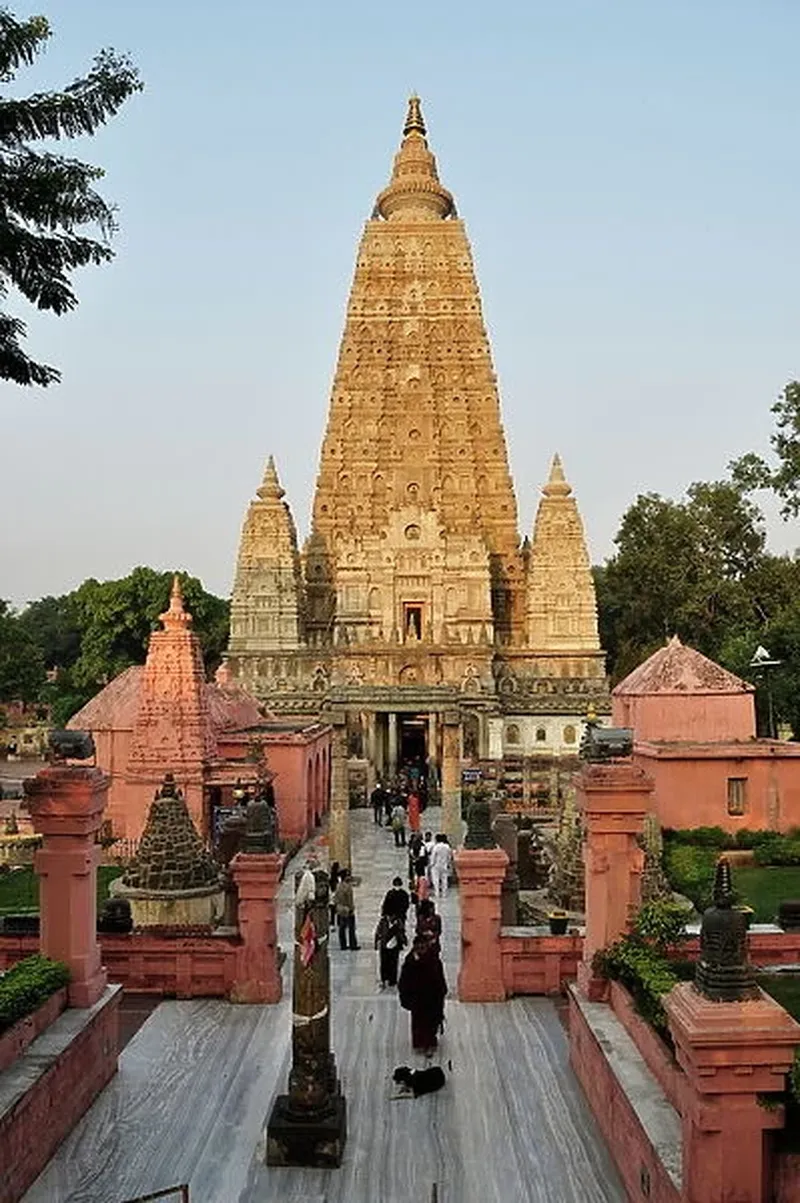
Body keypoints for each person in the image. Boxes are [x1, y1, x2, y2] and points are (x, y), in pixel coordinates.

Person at [398, 934, 448, 1056]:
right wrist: (405, 995)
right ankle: (419, 1043)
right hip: (417, 998)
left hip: (432, 997)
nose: (421, 948)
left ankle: (430, 1043)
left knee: (431, 1021)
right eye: (418, 946)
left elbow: (440, 978)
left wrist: (442, 991)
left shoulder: (434, 960)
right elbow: (404, 980)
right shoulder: (410, 961)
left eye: (423, 946)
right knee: (418, 1022)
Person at [374, 912, 407, 988]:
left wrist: (404, 941)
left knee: (394, 962)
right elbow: (378, 932)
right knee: (384, 963)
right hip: (384, 945)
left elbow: (402, 932)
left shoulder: (398, 922)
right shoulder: (383, 922)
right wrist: (376, 943)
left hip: (394, 946)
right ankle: (384, 979)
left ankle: (393, 979)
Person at [333, 867, 359, 950]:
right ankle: (353, 945)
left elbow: (335, 899)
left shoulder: (338, 886)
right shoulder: (347, 887)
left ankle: (343, 945)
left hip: (340, 909)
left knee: (342, 928)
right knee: (351, 928)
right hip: (347, 910)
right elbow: (349, 900)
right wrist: (351, 909)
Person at [430, 834, 453, 900]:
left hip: (436, 865)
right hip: (444, 865)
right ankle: (444, 893)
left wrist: (431, 864)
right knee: (444, 879)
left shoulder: (436, 847)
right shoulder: (447, 847)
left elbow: (433, 856)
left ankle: (436, 893)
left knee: (436, 880)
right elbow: (449, 856)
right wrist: (448, 863)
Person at [328, 860, 341, 927]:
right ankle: (338, 922)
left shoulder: (330, 877)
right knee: (337, 910)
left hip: (332, 896)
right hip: (336, 896)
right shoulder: (338, 878)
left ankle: (332, 923)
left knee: (333, 911)